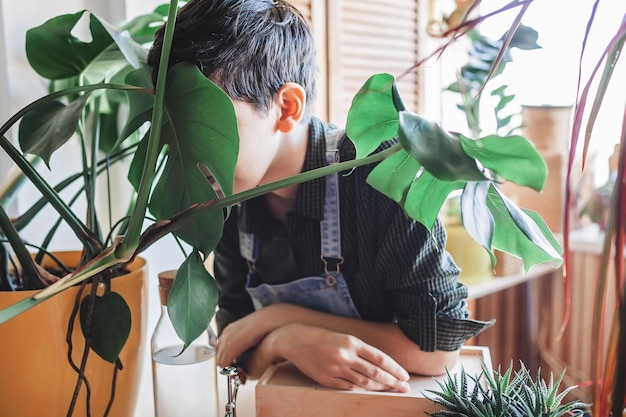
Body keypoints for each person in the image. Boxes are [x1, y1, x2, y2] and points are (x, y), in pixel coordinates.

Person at [148, 0, 493, 393]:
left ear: (287, 107)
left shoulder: (379, 169)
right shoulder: (228, 202)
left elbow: (438, 350)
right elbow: (235, 353)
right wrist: (284, 339)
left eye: (207, 122)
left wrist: (278, 318)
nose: (189, 154)